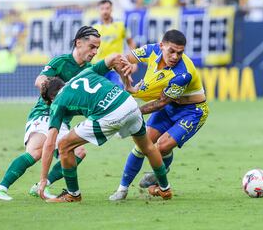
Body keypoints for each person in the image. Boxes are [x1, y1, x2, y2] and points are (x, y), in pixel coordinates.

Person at [38, 55, 172, 203]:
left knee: (63, 145)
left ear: (51, 98)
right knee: (147, 146)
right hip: (128, 102)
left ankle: (73, 195)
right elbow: (115, 58)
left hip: (110, 114)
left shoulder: (57, 101)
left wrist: (43, 179)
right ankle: (165, 189)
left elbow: (50, 143)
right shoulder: (83, 74)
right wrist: (127, 84)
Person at [0, 26, 101, 201]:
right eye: (92, 46)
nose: (95, 51)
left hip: (62, 121)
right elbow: (40, 80)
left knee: (78, 152)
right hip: (44, 113)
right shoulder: (60, 61)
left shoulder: (89, 70)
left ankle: (41, 185)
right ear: (79, 43)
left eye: (97, 48)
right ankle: (0, 189)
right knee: (36, 152)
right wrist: (56, 93)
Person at [109, 29, 209, 201]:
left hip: (192, 111)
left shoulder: (183, 74)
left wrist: (132, 113)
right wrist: (124, 74)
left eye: (180, 53)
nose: (175, 56)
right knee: (143, 145)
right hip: (170, 107)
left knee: (161, 147)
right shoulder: (151, 50)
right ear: (161, 46)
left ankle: (159, 173)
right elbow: (122, 59)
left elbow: (161, 102)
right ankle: (122, 189)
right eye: (172, 51)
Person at [92, 0, 136, 88]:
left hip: (116, 67)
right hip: (99, 67)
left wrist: (133, 61)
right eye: (102, 8)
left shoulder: (121, 25)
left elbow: (131, 42)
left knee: (118, 91)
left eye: (107, 8)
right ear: (98, 10)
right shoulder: (94, 28)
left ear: (111, 9)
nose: (105, 11)